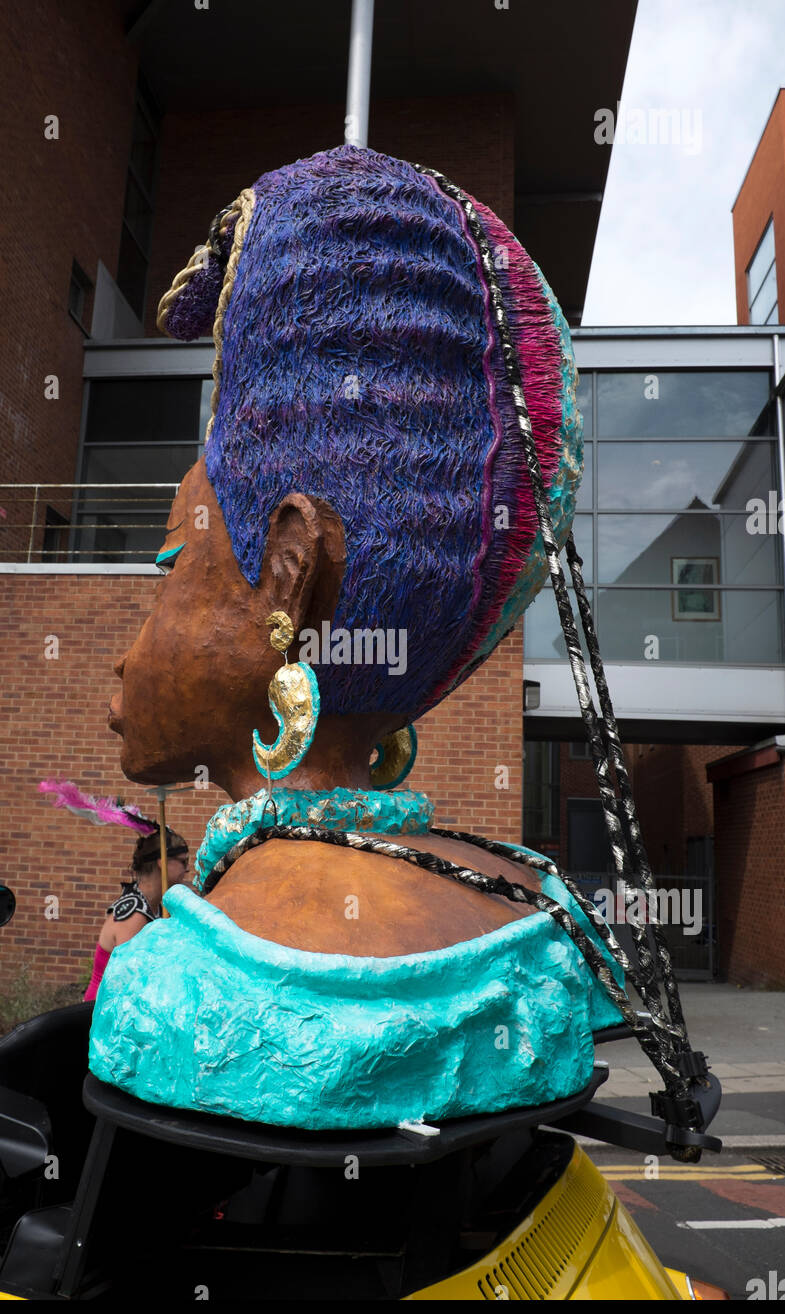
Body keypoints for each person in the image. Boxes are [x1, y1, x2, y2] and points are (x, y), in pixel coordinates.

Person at [91, 144, 625, 1127]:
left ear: (288, 570)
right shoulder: (541, 919)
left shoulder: (177, 985)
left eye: (169, 567)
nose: (122, 657)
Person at [83, 828, 189, 1002]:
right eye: (183, 862)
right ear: (162, 862)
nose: (187, 870)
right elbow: (129, 982)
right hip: (101, 1012)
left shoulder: (155, 907)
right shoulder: (135, 916)